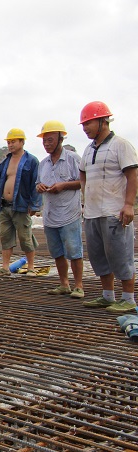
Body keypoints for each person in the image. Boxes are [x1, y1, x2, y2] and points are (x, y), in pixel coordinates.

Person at [78, 102, 138, 313]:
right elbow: (82, 172)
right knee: (99, 255)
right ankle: (107, 296)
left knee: (120, 254)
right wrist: (86, 197)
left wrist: (128, 204)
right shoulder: (88, 149)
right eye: (83, 124)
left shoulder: (121, 145)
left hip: (114, 211)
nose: (85, 128)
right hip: (93, 212)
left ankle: (129, 298)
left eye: (89, 123)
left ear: (103, 121)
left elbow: (132, 175)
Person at [35, 120, 85, 299]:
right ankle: (64, 283)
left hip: (69, 213)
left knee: (74, 250)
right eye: (44, 141)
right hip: (50, 214)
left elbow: (82, 182)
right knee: (57, 251)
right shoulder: (44, 164)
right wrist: (39, 186)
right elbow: (38, 183)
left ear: (60, 139)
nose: (47, 144)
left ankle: (78, 285)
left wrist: (64, 185)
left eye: (50, 140)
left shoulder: (73, 159)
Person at [0, 128, 41, 276]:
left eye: (13, 141)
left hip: (21, 205)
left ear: (22, 142)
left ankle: (31, 266)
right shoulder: (5, 162)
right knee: (5, 236)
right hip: (5, 205)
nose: (10, 144)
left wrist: (34, 205)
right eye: (8, 142)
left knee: (25, 236)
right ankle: (5, 267)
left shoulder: (31, 161)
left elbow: (35, 183)